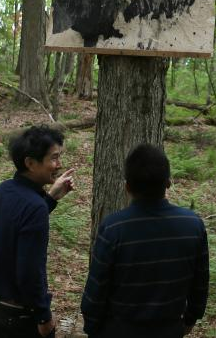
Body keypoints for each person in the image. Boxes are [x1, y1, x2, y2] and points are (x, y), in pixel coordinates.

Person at [81, 143, 209, 337]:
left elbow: (97, 288)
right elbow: (200, 283)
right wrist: (191, 318)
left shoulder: (113, 228)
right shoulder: (193, 225)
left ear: (127, 186)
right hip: (169, 330)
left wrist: (92, 327)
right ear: (168, 183)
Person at [0, 126, 75, 338]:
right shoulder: (34, 207)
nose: (59, 164)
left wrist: (50, 199)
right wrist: (43, 317)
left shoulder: (5, 190)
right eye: (54, 158)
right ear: (30, 163)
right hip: (22, 322)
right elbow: (29, 271)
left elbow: (19, 226)